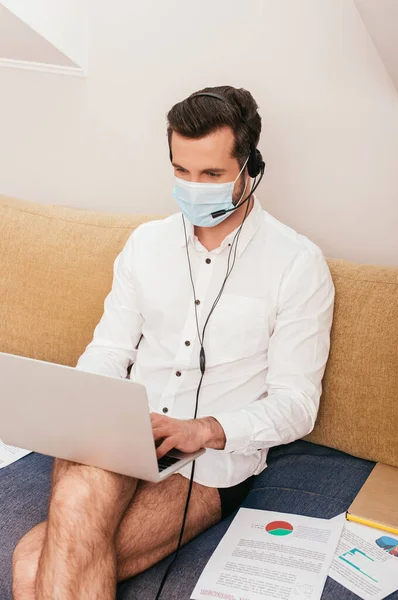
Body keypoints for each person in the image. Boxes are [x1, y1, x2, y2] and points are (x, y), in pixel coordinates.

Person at [11, 85, 335, 599]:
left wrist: (204, 429)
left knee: (34, 564)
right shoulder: (145, 244)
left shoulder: (297, 264)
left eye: (211, 174)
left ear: (251, 168)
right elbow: (110, 350)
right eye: (181, 171)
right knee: (69, 531)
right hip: (118, 436)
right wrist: (86, 408)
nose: (193, 187)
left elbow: (297, 405)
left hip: (208, 466)